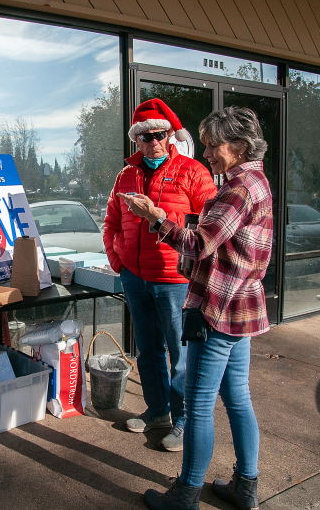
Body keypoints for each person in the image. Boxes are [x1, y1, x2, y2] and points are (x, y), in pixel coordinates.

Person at [120, 106, 272, 510]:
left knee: (200, 404)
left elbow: (200, 243)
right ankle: (245, 485)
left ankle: (185, 494)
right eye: (203, 144)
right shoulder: (255, 181)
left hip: (218, 308)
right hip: (240, 305)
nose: (206, 152)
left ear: (239, 146)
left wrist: (155, 219)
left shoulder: (237, 188)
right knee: (237, 397)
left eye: (213, 145)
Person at [103, 98, 216, 451]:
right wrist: (117, 259)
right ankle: (157, 411)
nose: (153, 141)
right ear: (136, 140)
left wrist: (160, 217)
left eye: (159, 135)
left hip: (174, 280)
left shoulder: (193, 172)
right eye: (145, 136)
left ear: (169, 136)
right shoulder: (126, 175)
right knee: (148, 350)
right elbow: (110, 221)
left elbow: (209, 225)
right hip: (135, 277)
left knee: (180, 355)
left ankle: (182, 422)